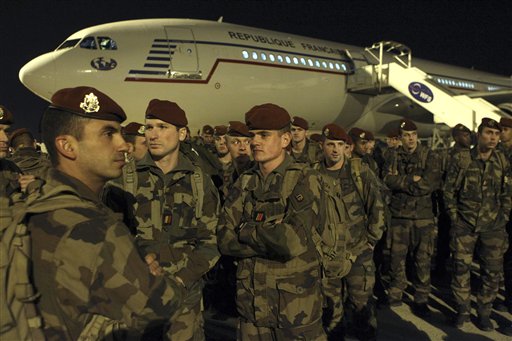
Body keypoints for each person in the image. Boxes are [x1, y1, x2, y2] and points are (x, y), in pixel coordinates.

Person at [27, 87, 184, 340]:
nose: (124, 145)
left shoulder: (31, 204)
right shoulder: (95, 226)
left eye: (120, 133)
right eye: (108, 134)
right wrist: (157, 277)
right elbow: (161, 305)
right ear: (67, 146)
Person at [217, 103, 327, 340]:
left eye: (264, 135)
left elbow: (291, 241)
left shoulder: (306, 179)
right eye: (253, 135)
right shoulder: (245, 182)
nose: (254, 142)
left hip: (294, 311)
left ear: (285, 139)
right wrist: (269, 236)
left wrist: (245, 231)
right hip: (251, 309)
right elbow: (224, 239)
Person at [118, 99, 220, 340]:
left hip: (184, 304)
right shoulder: (124, 179)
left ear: (182, 133)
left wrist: (180, 279)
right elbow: (111, 238)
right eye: (149, 127)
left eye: (162, 127)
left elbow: (210, 242)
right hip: (137, 300)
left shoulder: (199, 183)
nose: (153, 134)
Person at [315, 123, 385, 340]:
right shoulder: (312, 174)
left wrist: (371, 241)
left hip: (359, 252)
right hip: (328, 255)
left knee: (361, 306)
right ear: (322, 146)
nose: (335, 150)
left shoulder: (359, 172)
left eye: (340, 145)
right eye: (330, 145)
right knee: (331, 310)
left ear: (347, 147)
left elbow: (377, 208)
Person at [443, 117, 511, 330]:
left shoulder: (502, 160)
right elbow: (449, 191)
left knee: (492, 273)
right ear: (478, 135)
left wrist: (504, 217)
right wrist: (455, 218)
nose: (493, 138)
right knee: (460, 269)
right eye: (488, 133)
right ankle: (462, 311)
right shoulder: (462, 159)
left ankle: (484, 312)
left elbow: (507, 193)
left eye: (496, 134)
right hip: (465, 224)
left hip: (493, 227)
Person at [383, 118, 441, 317]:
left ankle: (421, 297)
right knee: (396, 257)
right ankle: (396, 292)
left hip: (422, 217)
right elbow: (387, 179)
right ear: (400, 138)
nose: (410, 138)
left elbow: (430, 183)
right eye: (406, 135)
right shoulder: (392, 155)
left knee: (422, 258)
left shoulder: (429, 155)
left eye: (413, 134)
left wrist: (403, 185)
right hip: (399, 215)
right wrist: (410, 180)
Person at [497, 116, 512, 314]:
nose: (502, 133)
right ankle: (509, 298)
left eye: (506, 129)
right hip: (501, 214)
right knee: (506, 260)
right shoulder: (497, 153)